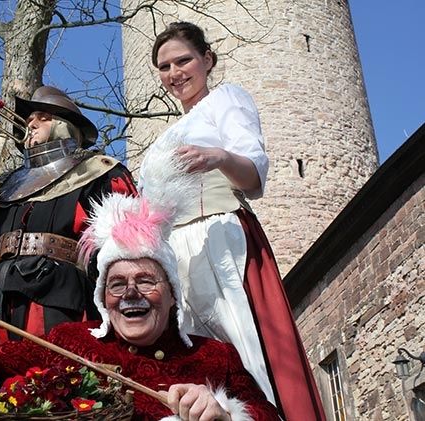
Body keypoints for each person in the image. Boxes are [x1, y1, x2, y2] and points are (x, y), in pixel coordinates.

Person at [0, 189, 279, 421]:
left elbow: (266, 416)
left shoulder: (214, 356)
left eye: (146, 281)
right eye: (116, 284)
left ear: (171, 294)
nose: (130, 293)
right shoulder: (72, 342)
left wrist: (225, 415)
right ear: (102, 298)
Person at [139, 21, 326, 420]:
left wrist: (219, 158)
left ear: (206, 59)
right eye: (164, 66)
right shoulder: (167, 134)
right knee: (197, 356)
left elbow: (254, 175)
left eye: (183, 60)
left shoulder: (226, 100)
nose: (174, 74)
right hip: (177, 254)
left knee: (241, 345)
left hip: (220, 237)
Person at [0, 85, 137, 343]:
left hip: (59, 298)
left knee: (53, 378)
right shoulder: (6, 184)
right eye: (29, 119)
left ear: (65, 124)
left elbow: (131, 248)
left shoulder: (100, 171)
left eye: (43, 117)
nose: (32, 123)